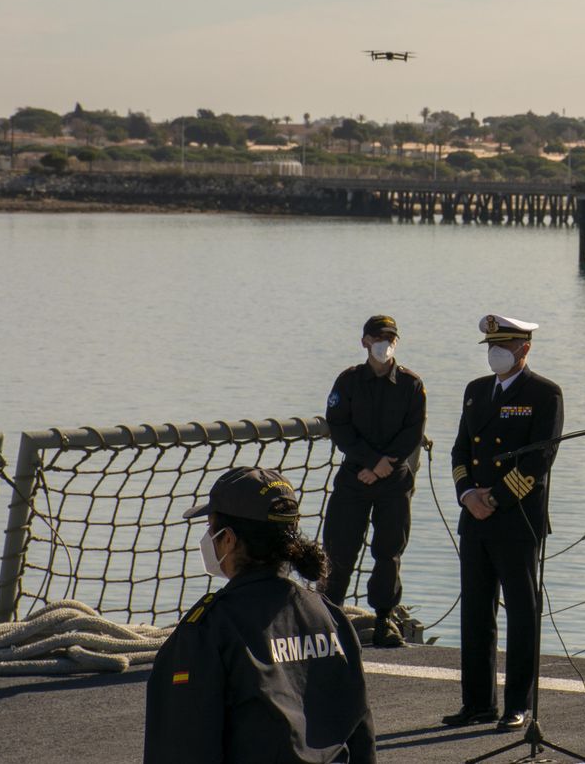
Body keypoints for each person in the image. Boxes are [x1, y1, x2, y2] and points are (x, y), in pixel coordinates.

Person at [145, 466, 375, 764]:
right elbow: (361, 736)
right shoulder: (330, 617)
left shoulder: (209, 629)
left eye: (211, 529)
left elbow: (182, 746)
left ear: (228, 539)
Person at [443, 313, 563, 731]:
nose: (495, 354)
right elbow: (460, 451)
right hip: (475, 519)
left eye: (504, 347)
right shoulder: (476, 391)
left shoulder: (545, 394)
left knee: (522, 613)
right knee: (476, 612)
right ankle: (477, 703)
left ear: (523, 349)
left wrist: (495, 497)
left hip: (517, 520)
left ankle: (518, 704)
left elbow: (539, 460)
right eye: (491, 347)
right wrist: (467, 495)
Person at [320, 313, 426, 648]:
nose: (385, 344)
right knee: (338, 549)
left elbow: (413, 431)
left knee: (389, 551)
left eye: (391, 338)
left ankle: (384, 619)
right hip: (355, 477)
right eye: (379, 337)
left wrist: (383, 465)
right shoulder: (348, 381)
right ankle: (327, 617)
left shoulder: (411, 384)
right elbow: (339, 425)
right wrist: (369, 462)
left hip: (394, 481)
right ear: (365, 341)